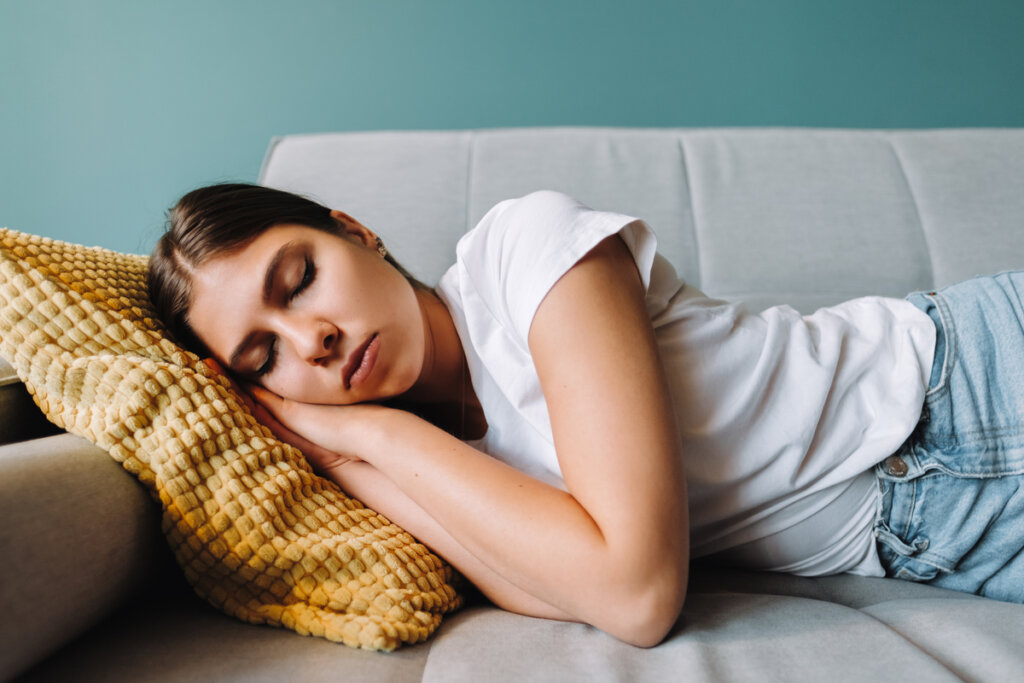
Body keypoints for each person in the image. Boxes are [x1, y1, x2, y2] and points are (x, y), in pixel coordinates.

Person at [149, 183, 1024, 647]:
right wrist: (353, 460)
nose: (316, 340)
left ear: (356, 230)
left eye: (299, 279)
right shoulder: (434, 466)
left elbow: (638, 591)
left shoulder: (522, 250)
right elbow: (574, 595)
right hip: (943, 542)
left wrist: (366, 431)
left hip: (973, 381)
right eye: (265, 359)